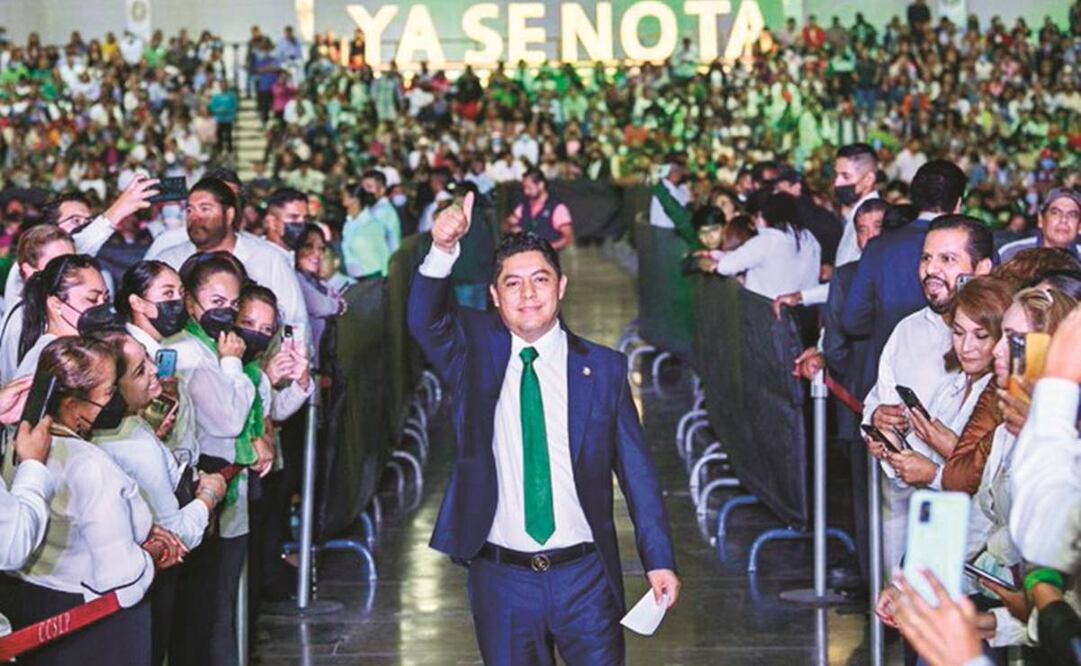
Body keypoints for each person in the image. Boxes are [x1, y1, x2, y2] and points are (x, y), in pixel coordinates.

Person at [408, 194, 678, 664]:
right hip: (502, 581)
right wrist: (442, 247)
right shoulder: (472, 356)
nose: (528, 294)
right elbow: (423, 319)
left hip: (586, 578)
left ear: (562, 285)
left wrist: (658, 559)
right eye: (512, 284)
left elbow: (638, 476)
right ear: (494, 296)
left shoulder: (605, 370)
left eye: (540, 280)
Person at [0, 337, 168, 666]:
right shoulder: (92, 467)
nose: (117, 399)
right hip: (96, 633)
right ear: (73, 403)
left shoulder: (17, 445)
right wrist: (152, 553)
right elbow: (122, 582)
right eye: (109, 392)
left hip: (33, 607)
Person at [862, 215, 994, 570]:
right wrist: (877, 422)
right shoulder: (907, 330)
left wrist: (937, 468)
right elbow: (879, 396)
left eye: (947, 260)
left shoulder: (1004, 345)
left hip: (975, 538)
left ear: (982, 268)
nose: (931, 270)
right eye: (926, 258)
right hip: (904, 509)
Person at [89, 329, 227, 666]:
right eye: (139, 370)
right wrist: (209, 494)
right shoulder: (132, 443)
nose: (155, 370)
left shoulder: (133, 428)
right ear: (110, 390)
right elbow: (177, 535)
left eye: (149, 359)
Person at [165, 252, 258, 666]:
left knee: (219, 603)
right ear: (190, 302)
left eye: (234, 305)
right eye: (217, 302)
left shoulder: (211, 344)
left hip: (223, 488)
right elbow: (230, 419)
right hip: (198, 489)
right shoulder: (188, 352)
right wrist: (233, 364)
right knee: (204, 611)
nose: (228, 312)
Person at [843, 159, 969, 403]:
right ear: (958, 203)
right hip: (953, 380)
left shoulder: (879, 247)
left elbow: (853, 320)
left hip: (889, 382)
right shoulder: (973, 248)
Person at [153, 177, 308, 348]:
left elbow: (295, 324)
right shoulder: (168, 261)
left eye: (205, 209)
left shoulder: (268, 259)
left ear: (229, 215)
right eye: (190, 210)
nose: (195, 218)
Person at [772, 143, 879, 310]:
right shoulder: (853, 217)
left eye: (845, 176)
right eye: (836, 175)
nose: (837, 183)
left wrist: (803, 296)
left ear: (869, 179)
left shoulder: (871, 220)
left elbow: (852, 284)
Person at [115, 260, 197, 459]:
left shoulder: (168, 350)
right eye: (168, 294)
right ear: (137, 303)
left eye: (181, 292)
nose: (178, 301)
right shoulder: (127, 355)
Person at [701, 193, 821, 299]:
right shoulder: (809, 239)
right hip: (803, 310)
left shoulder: (767, 240)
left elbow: (725, 267)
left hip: (766, 311)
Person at [15, 254, 114, 380]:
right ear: (56, 304)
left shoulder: (81, 348)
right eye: (92, 299)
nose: (102, 307)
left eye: (105, 299)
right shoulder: (45, 360)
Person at [0, 226, 76, 383]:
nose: (71, 272)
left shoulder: (46, 308)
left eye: (72, 262)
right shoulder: (25, 319)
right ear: (28, 271)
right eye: (57, 264)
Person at [294, 224, 344, 369]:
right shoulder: (294, 278)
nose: (317, 254)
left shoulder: (317, 283)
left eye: (321, 249)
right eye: (309, 247)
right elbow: (322, 306)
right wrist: (338, 305)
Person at [998, 188, 1081, 263]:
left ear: (1079, 226)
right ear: (1041, 220)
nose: (1064, 220)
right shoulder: (1011, 254)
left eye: (1072, 215)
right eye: (1055, 213)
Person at [504, 168, 574, 250]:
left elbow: (568, 238)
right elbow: (506, 225)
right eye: (524, 188)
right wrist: (511, 228)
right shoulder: (523, 206)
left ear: (541, 185)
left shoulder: (557, 208)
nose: (526, 192)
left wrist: (547, 249)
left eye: (529, 188)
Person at [341, 182, 396, 280]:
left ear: (355, 200)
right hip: (353, 279)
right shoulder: (348, 224)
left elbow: (383, 254)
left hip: (372, 278)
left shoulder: (372, 225)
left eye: (344, 197)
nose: (342, 201)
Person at [648, 154, 696, 248]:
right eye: (672, 169)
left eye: (678, 169)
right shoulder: (662, 185)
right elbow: (653, 177)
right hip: (662, 232)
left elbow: (690, 203)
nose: (675, 172)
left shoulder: (682, 189)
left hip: (676, 233)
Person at [261, 187, 310, 254]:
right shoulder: (255, 256)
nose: (302, 223)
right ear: (271, 222)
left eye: (305, 218)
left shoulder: (304, 256)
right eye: (294, 217)